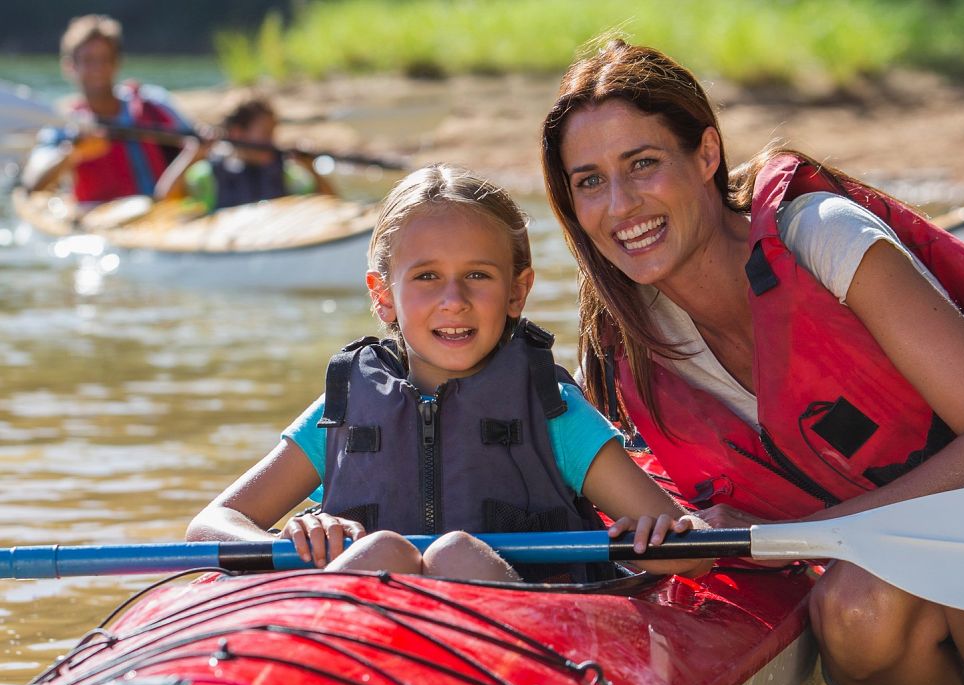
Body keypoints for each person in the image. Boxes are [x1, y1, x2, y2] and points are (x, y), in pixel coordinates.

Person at [539, 39, 964, 685]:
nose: (620, 205)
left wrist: (800, 535)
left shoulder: (818, 236)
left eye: (642, 164)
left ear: (705, 154)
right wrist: (689, 537)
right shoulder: (625, 339)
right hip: (910, 615)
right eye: (589, 181)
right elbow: (679, 509)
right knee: (851, 606)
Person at [187, 163, 706, 581]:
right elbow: (209, 528)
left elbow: (690, 551)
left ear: (516, 292)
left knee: (456, 555)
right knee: (381, 552)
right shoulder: (340, 413)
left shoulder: (553, 412)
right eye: (427, 277)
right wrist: (292, 542)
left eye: (477, 276)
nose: (454, 301)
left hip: (524, 652)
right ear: (383, 296)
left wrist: (655, 539)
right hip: (361, 640)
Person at [20, 14, 192, 203]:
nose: (98, 68)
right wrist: (73, 153)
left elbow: (194, 139)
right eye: (88, 60)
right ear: (70, 66)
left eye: (105, 59)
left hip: (160, 213)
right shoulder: (64, 125)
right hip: (97, 218)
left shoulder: (151, 102)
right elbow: (32, 183)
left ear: (116, 62)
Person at [155, 97, 336, 212]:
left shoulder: (286, 173)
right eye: (266, 134)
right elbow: (163, 199)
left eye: (273, 133)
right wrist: (193, 155)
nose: (272, 142)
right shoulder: (207, 174)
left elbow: (331, 203)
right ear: (237, 134)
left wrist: (310, 169)